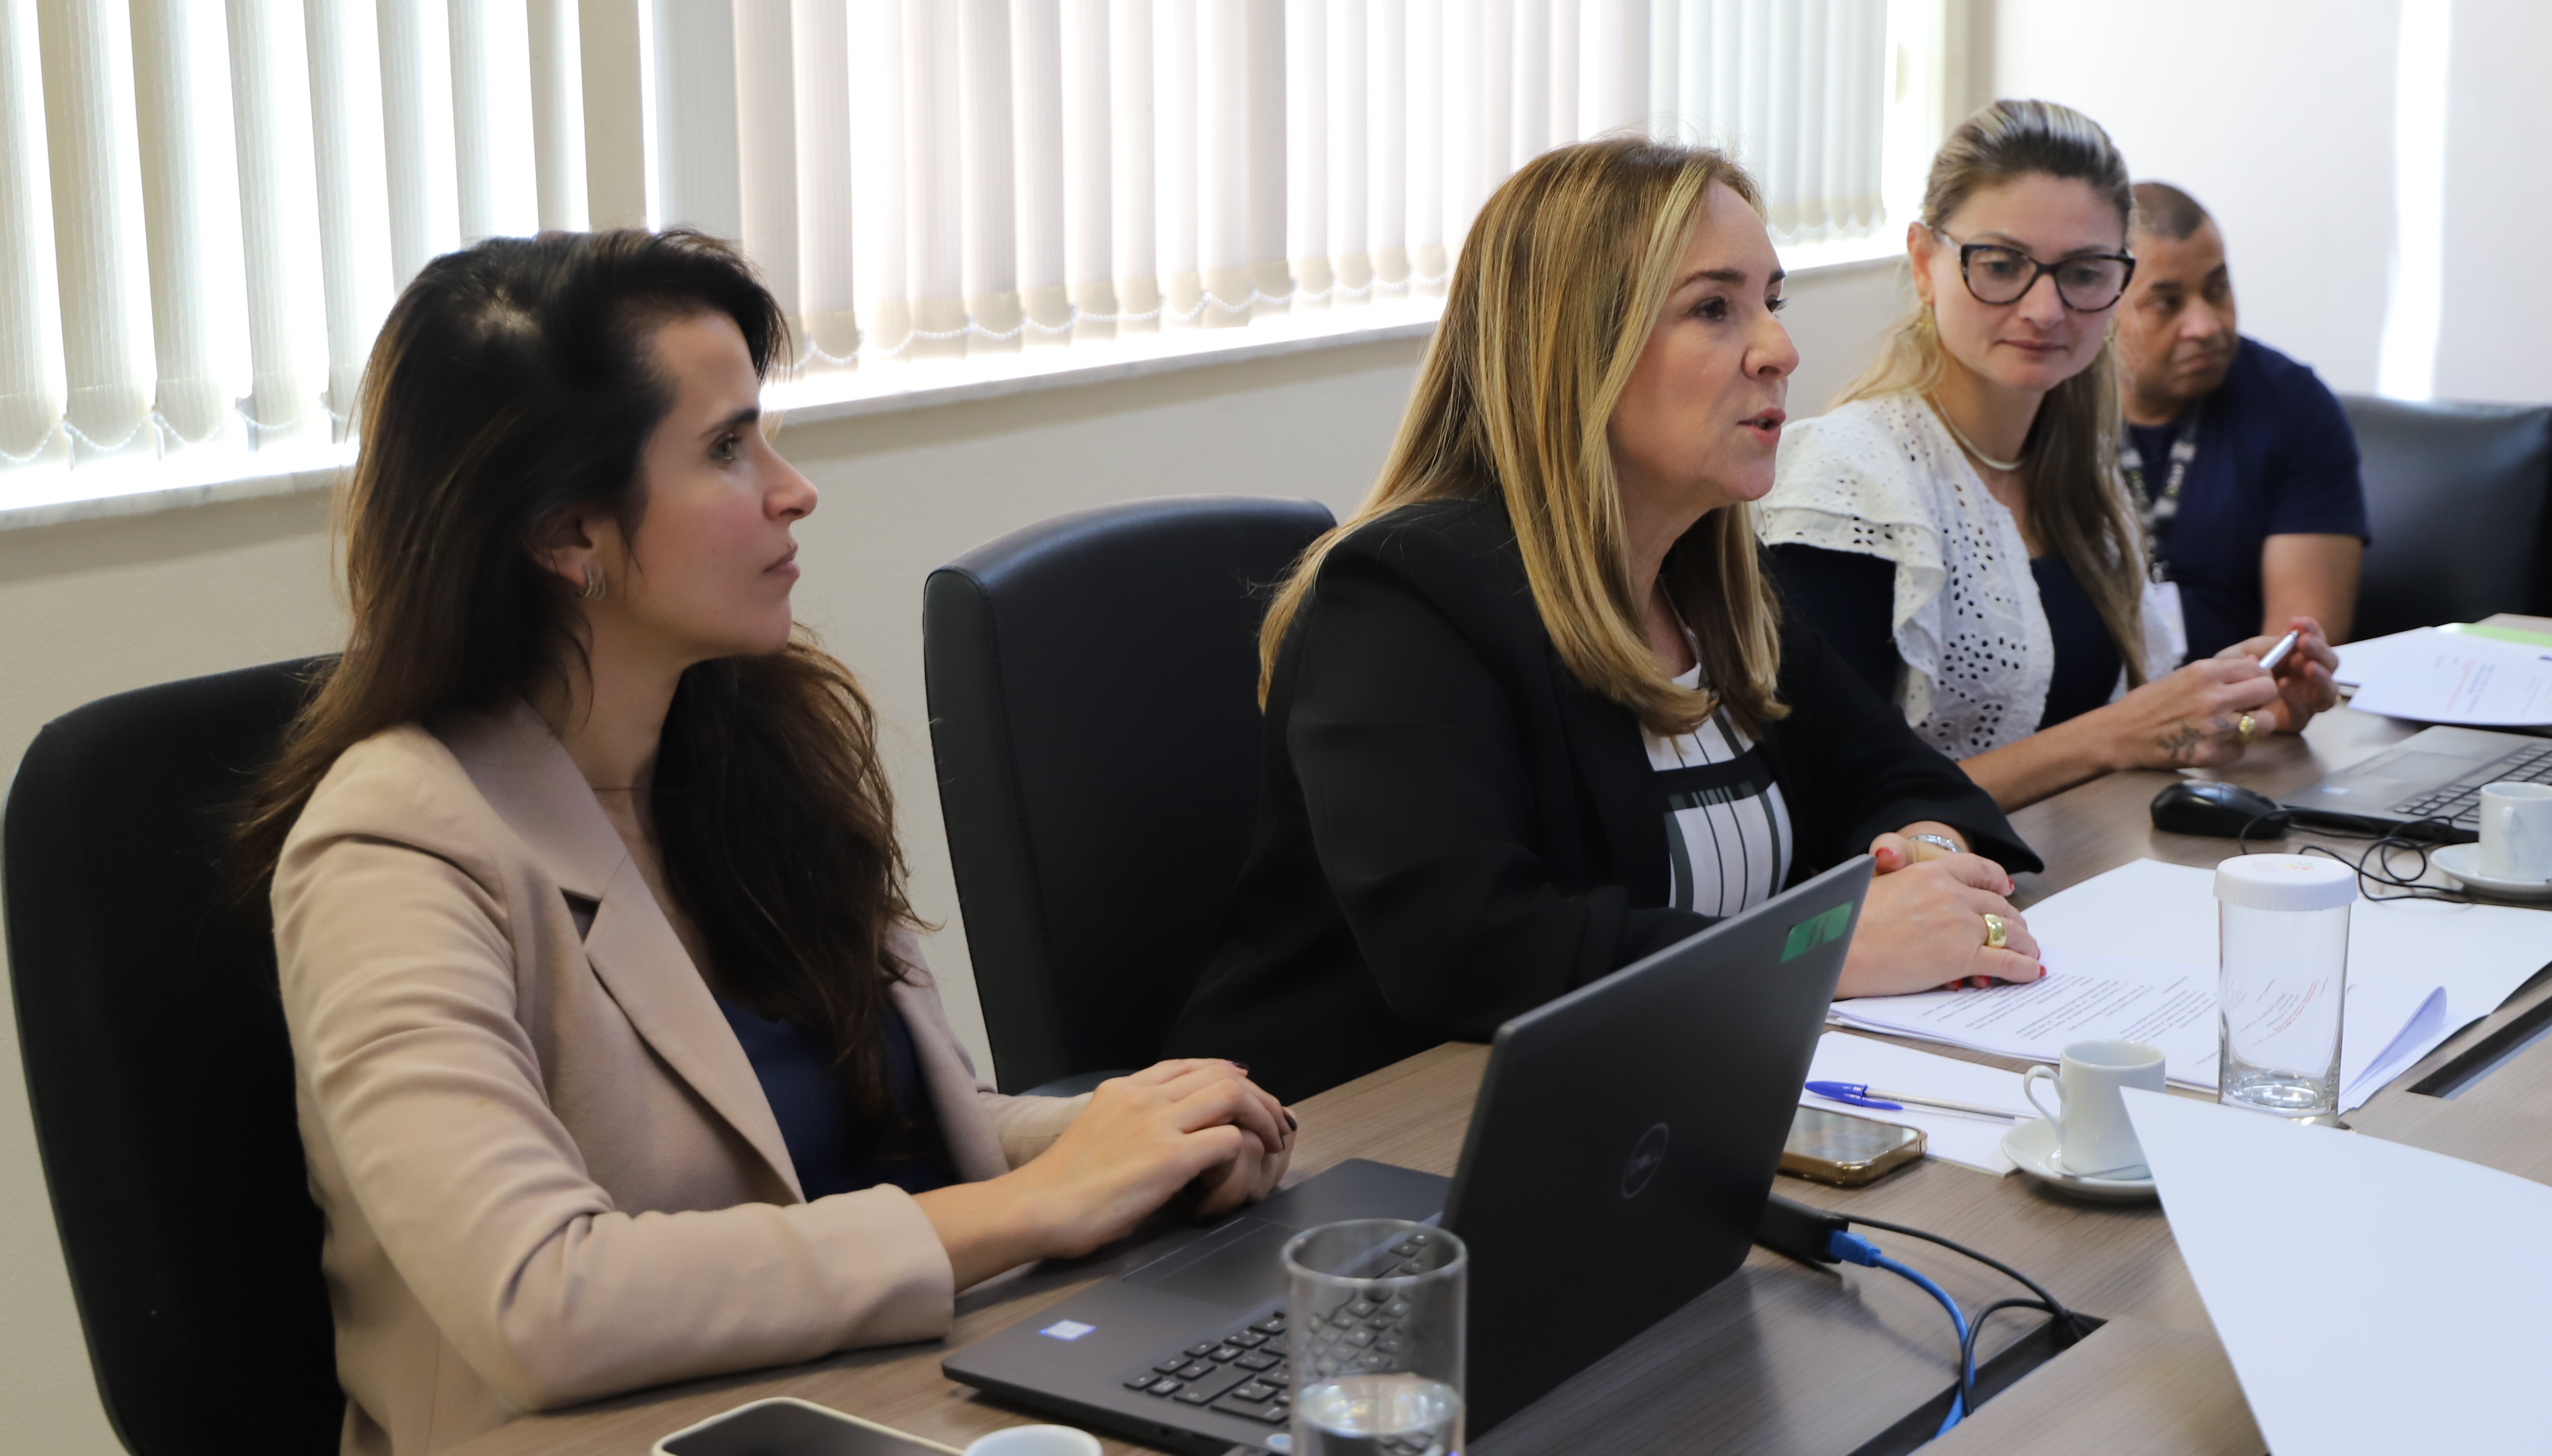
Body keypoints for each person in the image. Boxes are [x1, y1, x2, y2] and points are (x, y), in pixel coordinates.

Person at [237, 231, 1293, 1456]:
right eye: (728, 449)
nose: (794, 489)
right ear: (566, 529)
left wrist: (1127, 1144)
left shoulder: (758, 744)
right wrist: (1032, 1204)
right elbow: (541, 1299)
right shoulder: (393, 849)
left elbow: (866, 1144)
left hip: (861, 1400)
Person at [1167, 138, 2047, 1107]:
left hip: (1644, 1098)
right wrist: (1825, 944)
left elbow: (1903, 779)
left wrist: (1920, 857)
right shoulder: (1405, 595)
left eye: (1771, 301)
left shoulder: (1710, 583)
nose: (1780, 350)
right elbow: (1473, 950)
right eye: (1715, 308)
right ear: (1577, 348)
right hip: (1361, 1150)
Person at [1756, 101, 2340, 812]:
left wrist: (2228, 701)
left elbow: (2118, 724)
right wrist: (2113, 735)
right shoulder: (1847, 479)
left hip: (2087, 870)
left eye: (2085, 274)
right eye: (2000, 265)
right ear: (1923, 262)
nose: (2045, 310)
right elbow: (1836, 807)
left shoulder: (2078, 474)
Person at [2116, 180, 2369, 662]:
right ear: (2104, 307)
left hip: (2241, 714)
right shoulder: (2050, 406)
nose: (2206, 324)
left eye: (2217, 289)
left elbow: (2294, 657)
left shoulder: (2294, 406)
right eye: (2167, 302)